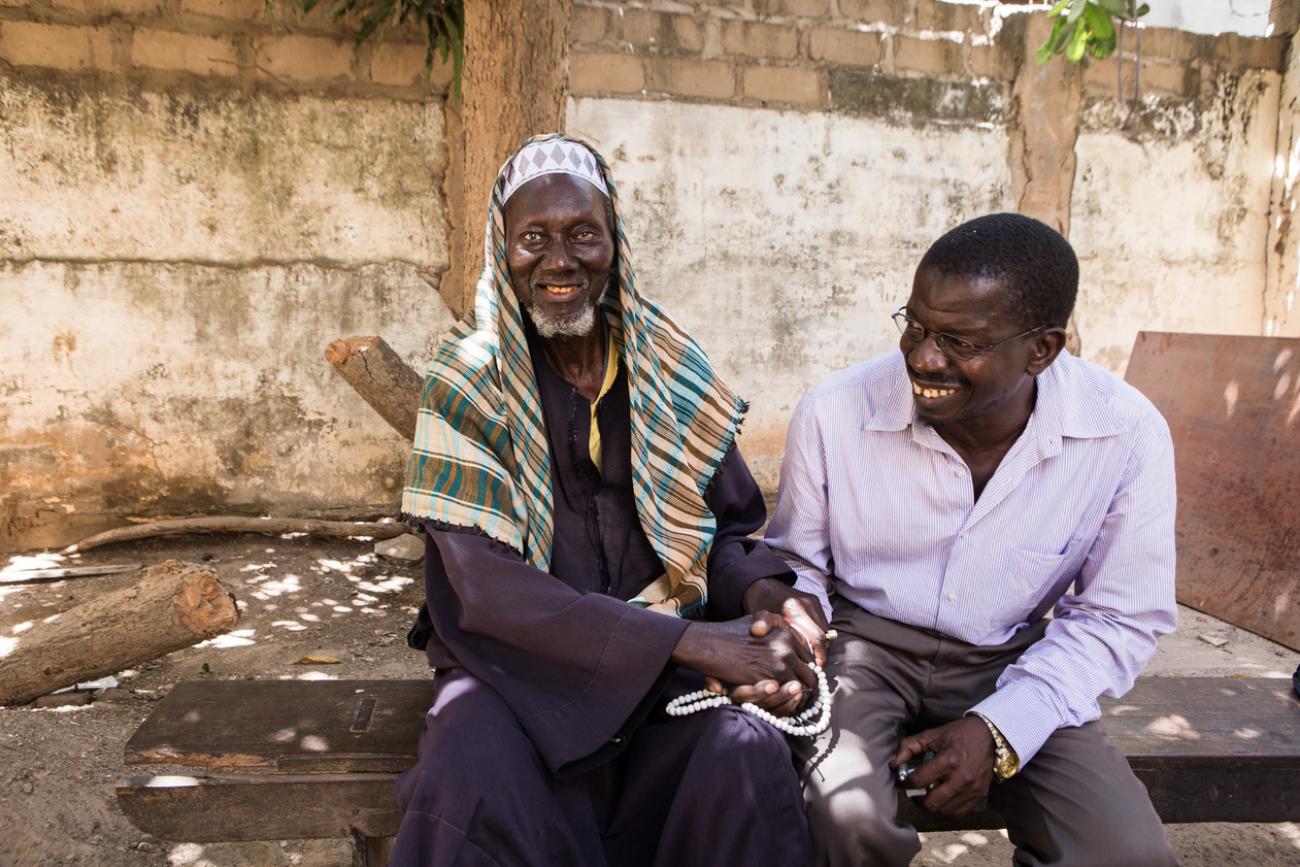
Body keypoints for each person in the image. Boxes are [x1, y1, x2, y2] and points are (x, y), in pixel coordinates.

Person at [390, 134, 824, 867]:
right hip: (513, 676)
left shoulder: (668, 365)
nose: (559, 261)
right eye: (535, 238)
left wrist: (764, 603)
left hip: (664, 681)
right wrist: (688, 642)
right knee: (468, 773)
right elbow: (487, 590)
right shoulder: (466, 379)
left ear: (614, 243)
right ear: (506, 251)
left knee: (744, 755)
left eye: (582, 233)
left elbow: (723, 529)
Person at [766, 213, 1180, 867]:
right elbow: (797, 565)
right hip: (861, 648)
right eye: (916, 325)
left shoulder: (1125, 434)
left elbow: (1118, 615)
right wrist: (797, 620)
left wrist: (999, 728)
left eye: (960, 341)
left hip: (1010, 658)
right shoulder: (835, 411)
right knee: (843, 819)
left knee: (1124, 852)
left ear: (1041, 350)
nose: (924, 357)